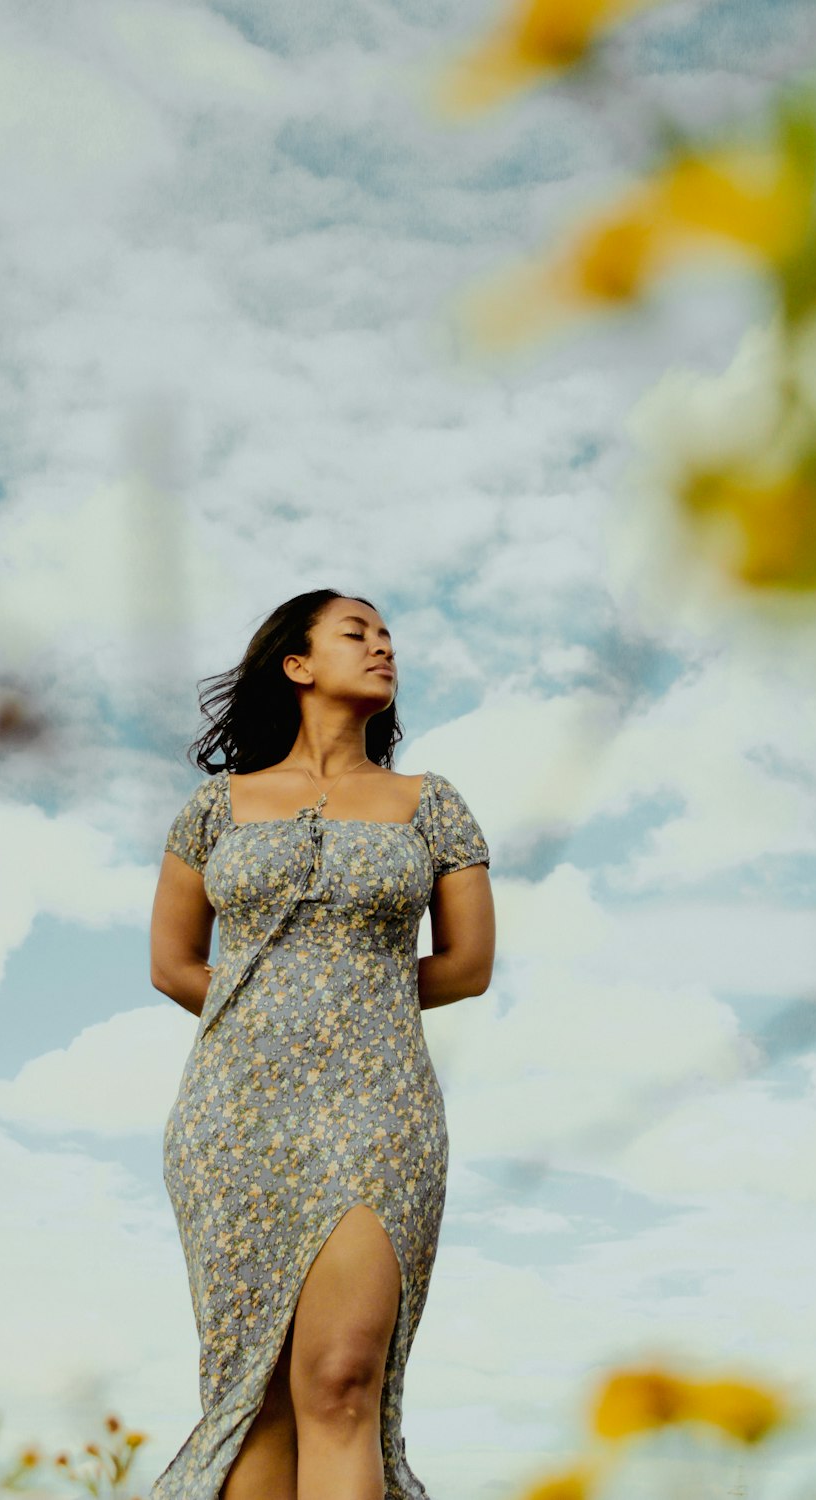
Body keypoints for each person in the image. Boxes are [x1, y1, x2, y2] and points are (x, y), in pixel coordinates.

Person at [148, 588, 496, 1500]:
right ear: (297, 665)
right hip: (234, 1118)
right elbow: (173, 964)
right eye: (358, 634)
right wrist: (278, 1012)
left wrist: (347, 1001)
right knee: (254, 1396)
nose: (384, 647)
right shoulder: (214, 809)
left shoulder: (432, 803)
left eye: (389, 636)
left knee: (341, 1378)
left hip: (380, 1108)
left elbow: (466, 966)